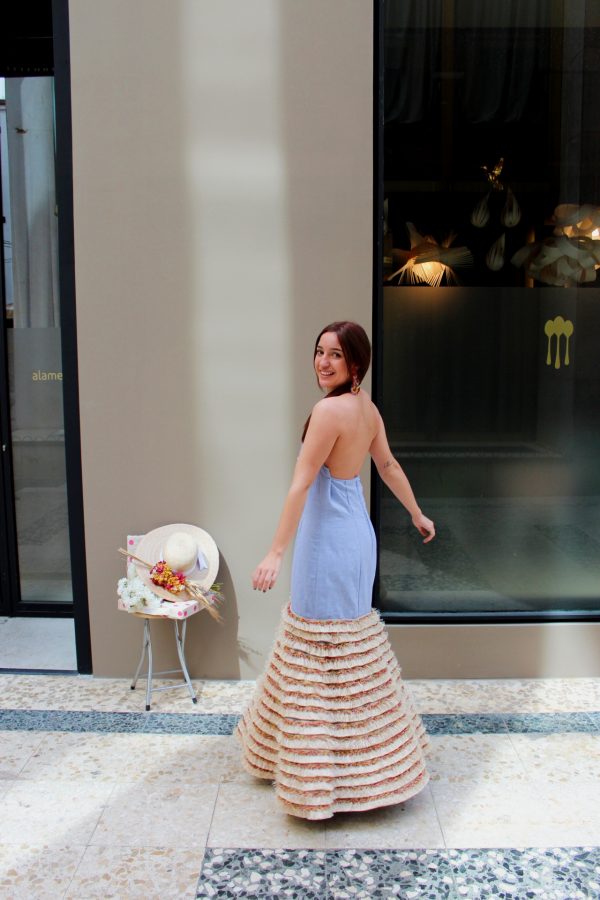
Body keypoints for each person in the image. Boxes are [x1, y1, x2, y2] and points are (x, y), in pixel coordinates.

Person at [236, 320, 435, 820]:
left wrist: (275, 552)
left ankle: (320, 778)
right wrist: (416, 512)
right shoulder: (367, 409)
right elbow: (387, 466)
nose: (323, 362)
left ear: (356, 364)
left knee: (317, 652)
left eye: (336, 355)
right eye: (319, 351)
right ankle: (369, 768)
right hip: (356, 538)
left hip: (327, 542)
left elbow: (302, 484)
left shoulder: (329, 411)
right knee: (350, 652)